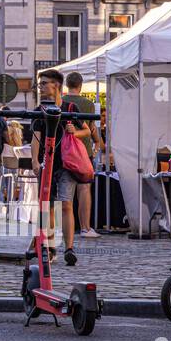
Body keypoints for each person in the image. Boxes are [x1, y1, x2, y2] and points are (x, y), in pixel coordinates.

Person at [30, 68, 89, 266]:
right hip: (47, 163)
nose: (41, 87)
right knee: (48, 207)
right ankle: (50, 247)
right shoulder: (40, 110)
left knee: (65, 205)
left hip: (66, 163)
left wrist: (74, 131)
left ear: (57, 86)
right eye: (40, 84)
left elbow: (87, 131)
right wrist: (34, 161)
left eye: (44, 83)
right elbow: (35, 138)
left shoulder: (70, 108)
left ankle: (69, 249)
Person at [62, 71, 103, 240]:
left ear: (66, 84)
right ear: (80, 85)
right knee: (84, 189)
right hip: (82, 152)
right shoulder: (88, 104)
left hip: (63, 152)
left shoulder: (60, 102)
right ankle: (85, 228)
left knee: (63, 193)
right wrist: (97, 144)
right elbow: (91, 128)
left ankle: (60, 228)